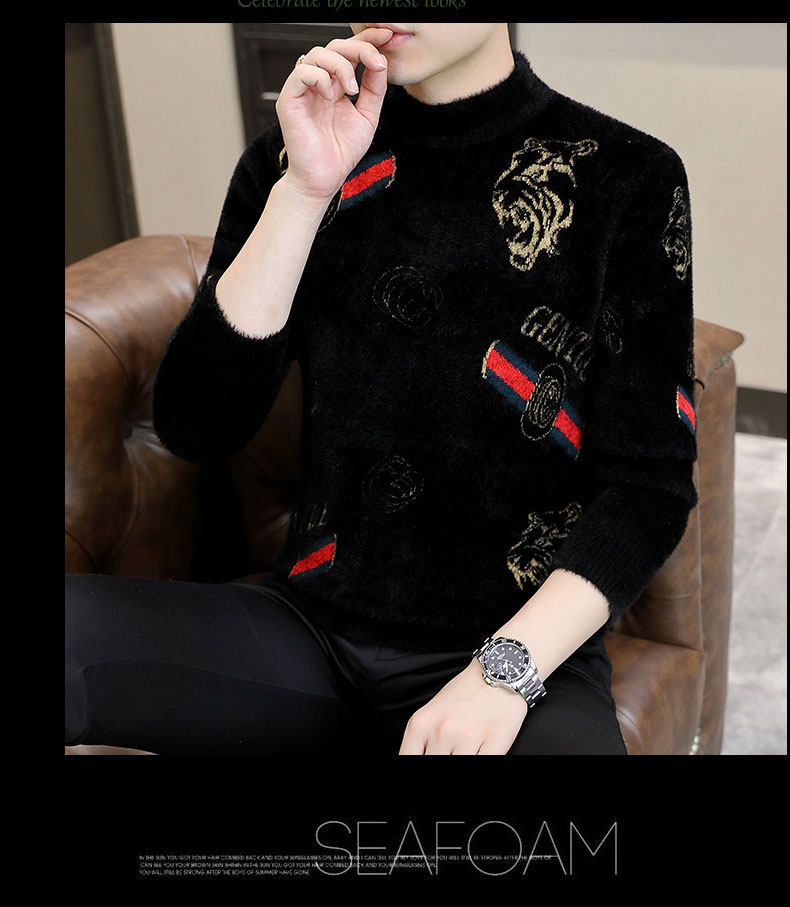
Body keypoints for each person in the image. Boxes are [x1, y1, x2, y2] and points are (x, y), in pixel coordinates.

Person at [65, 23, 698, 756]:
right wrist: (304, 193)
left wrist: (502, 674)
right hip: (309, 628)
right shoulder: (292, 158)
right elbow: (195, 426)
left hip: (510, 640)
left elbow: (648, 489)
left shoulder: (630, 176)